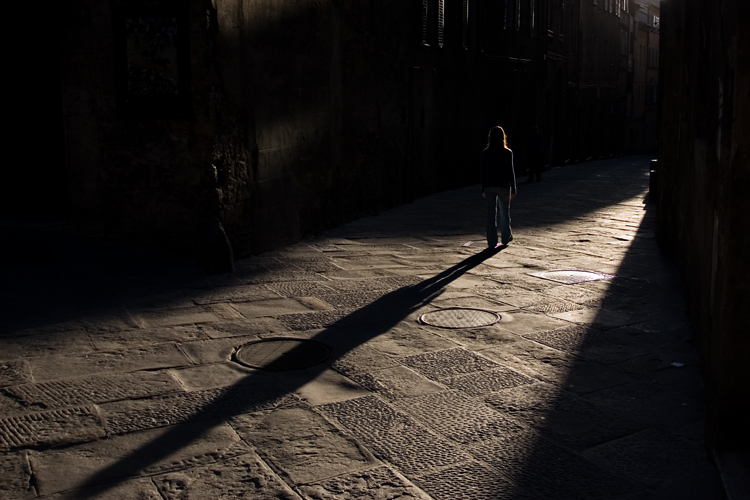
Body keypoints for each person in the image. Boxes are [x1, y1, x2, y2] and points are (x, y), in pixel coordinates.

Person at [481, 126, 517, 248]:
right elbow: (510, 171)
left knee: (491, 213)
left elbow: (483, 172)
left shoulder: (486, 153)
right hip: (503, 185)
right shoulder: (508, 153)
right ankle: (505, 238)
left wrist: (483, 188)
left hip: (489, 185)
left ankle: (492, 241)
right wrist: (513, 188)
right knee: (504, 212)